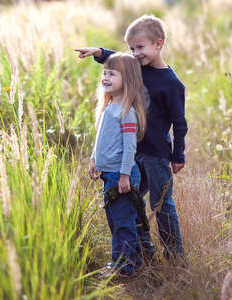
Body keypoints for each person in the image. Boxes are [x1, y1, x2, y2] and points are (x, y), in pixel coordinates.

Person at [75, 15, 187, 260]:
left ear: (158, 44)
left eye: (140, 47)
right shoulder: (136, 67)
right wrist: (100, 52)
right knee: (133, 200)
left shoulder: (172, 84)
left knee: (161, 204)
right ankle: (144, 251)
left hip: (157, 154)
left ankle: (174, 255)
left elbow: (180, 124)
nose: (135, 53)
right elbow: (122, 61)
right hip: (133, 151)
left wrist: (178, 154)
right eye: (132, 48)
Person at [89, 52, 147, 277]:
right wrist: (94, 159)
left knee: (123, 222)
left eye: (112, 74)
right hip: (109, 174)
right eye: (104, 73)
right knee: (115, 221)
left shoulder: (127, 113)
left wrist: (124, 175)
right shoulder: (109, 107)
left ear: (128, 80)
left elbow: (130, 148)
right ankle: (131, 260)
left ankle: (124, 267)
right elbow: (101, 139)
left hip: (120, 175)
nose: (105, 77)